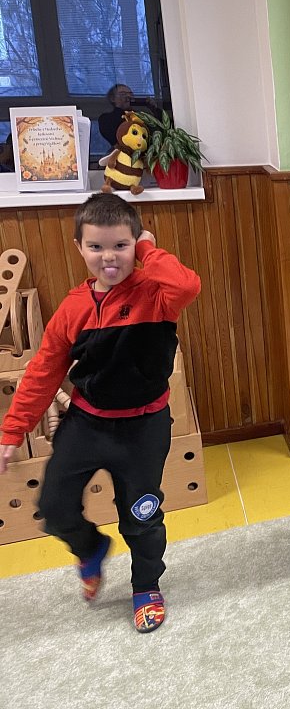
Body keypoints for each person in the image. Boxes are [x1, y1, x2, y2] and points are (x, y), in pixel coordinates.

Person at [0, 193, 201, 631]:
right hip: (87, 425)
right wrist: (12, 431)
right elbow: (43, 372)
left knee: (141, 516)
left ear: (136, 244)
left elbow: (187, 286)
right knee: (53, 507)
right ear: (79, 247)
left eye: (120, 245)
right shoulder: (73, 308)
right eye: (96, 247)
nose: (108, 257)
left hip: (144, 429)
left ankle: (146, 585)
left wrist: (148, 249)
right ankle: (90, 550)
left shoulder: (156, 296)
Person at [98, 84, 159, 149]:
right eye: (123, 94)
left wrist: (154, 109)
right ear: (113, 98)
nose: (128, 96)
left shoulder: (140, 116)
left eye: (130, 94)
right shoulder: (106, 118)